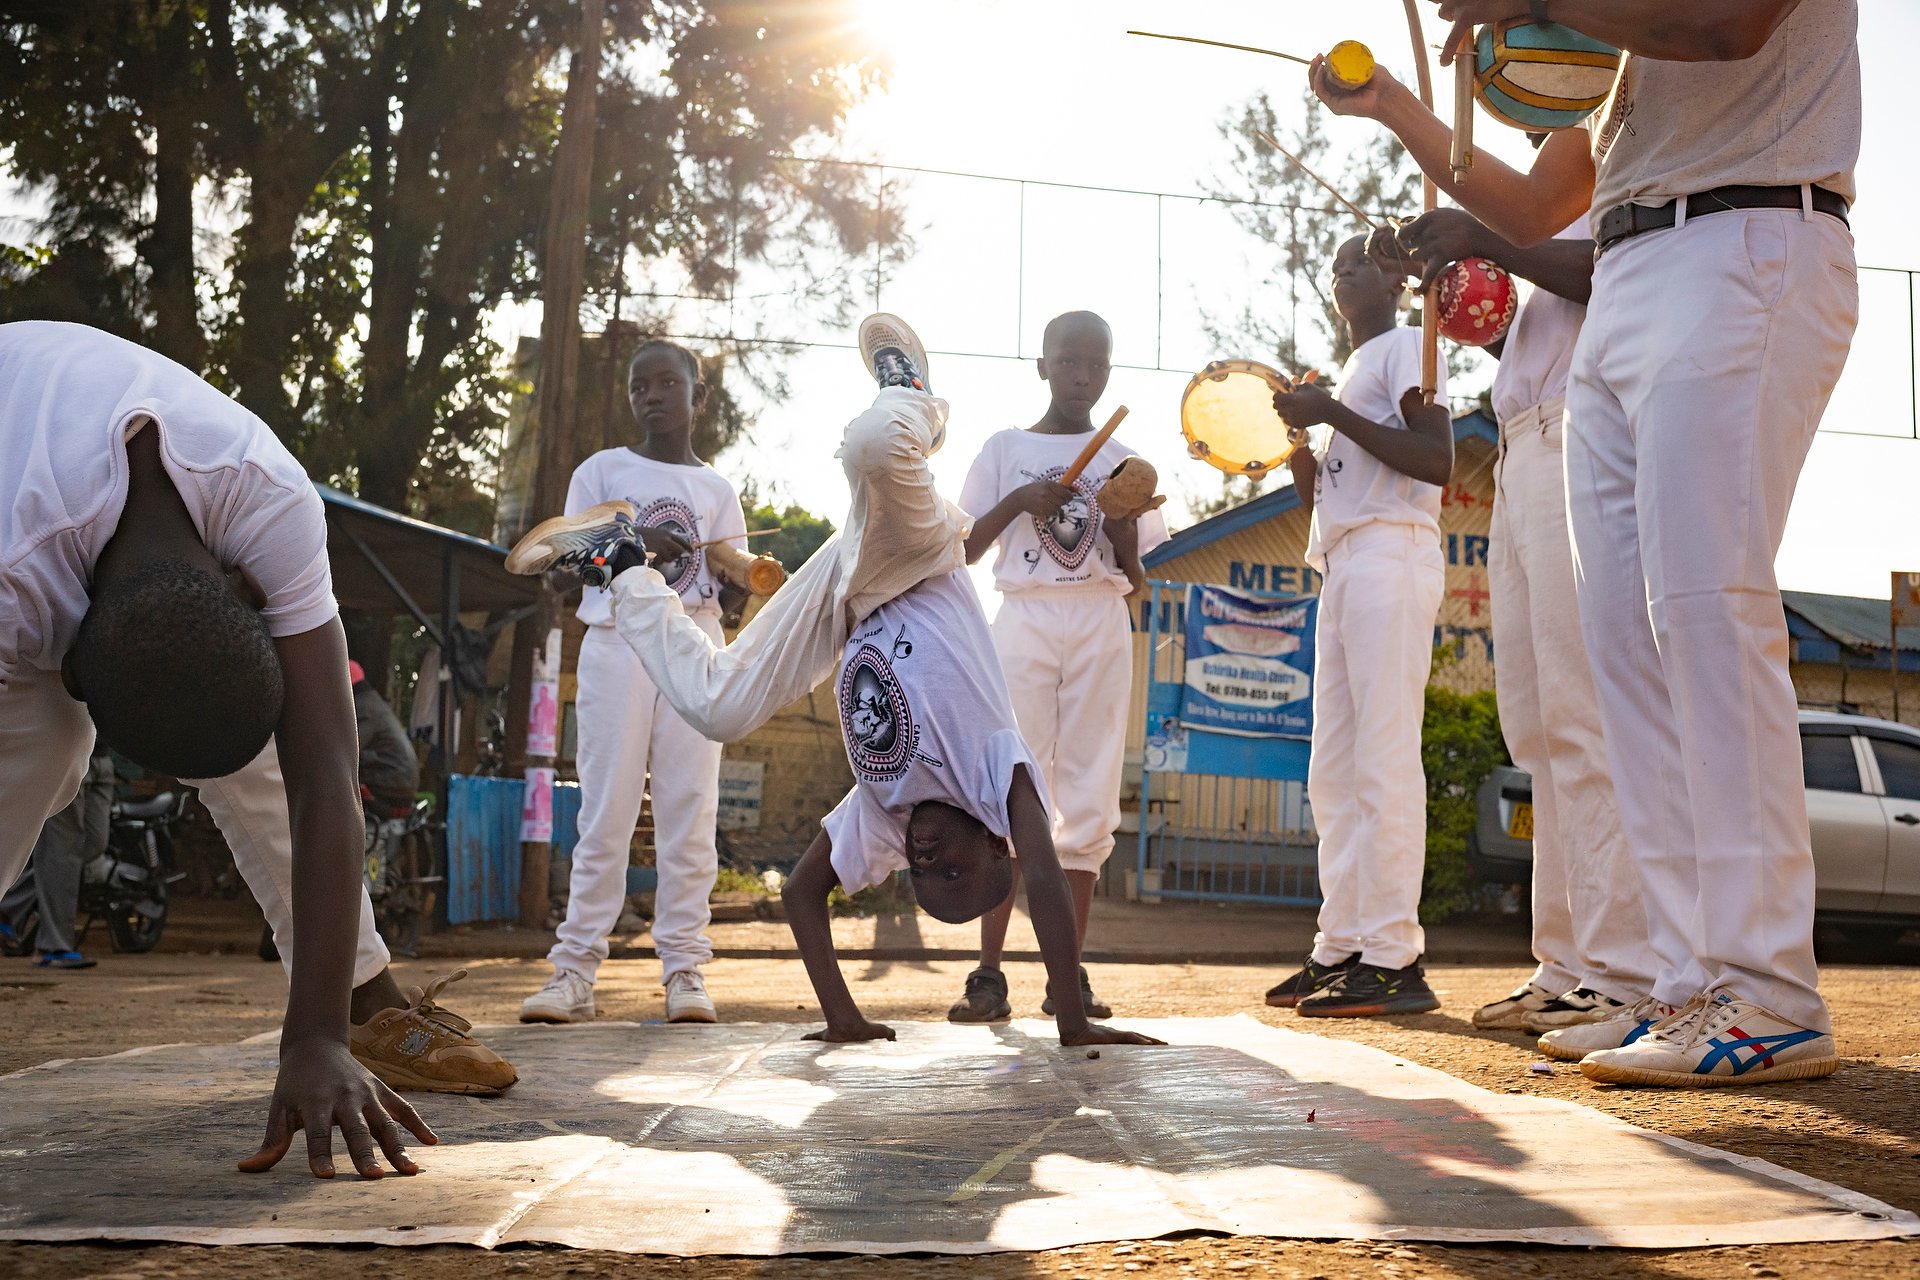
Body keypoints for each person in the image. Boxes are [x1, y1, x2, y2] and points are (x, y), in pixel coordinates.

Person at [1366, 0, 1856, 1085]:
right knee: (1626, 652)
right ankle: (1686, 981)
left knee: (1703, 615)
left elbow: (1728, 27)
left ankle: (1769, 988)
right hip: (1635, 264)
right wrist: (1395, 104)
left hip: (1747, 235)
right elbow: (1545, 200)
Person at [504, 313, 1160, 1050]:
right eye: (953, 871)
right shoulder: (995, 774)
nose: (927, 861)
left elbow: (800, 894)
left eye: (924, 880)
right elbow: (1044, 872)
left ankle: (620, 561)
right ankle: (911, 391)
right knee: (873, 448)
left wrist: (842, 1015)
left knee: (718, 707)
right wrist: (1071, 1023)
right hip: (915, 556)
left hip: (844, 597)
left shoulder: (887, 817)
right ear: (994, 840)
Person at [0, 320, 515, 1181]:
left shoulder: (269, 501)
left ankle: (354, 1007)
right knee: (43, 755)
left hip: (66, 459)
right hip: (22, 490)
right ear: (72, 668)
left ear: (244, 594)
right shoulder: (18, 589)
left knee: (277, 758)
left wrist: (308, 1036)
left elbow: (326, 780)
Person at [1315, 92, 1656, 1033]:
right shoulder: (1540, 187)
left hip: (1581, 431)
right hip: (1519, 438)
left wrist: (1492, 240)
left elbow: (1610, 272)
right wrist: (1451, 278)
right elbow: (1528, 326)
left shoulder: (1608, 152)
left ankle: (1623, 969)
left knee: (1583, 715)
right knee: (1539, 728)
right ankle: (1568, 960)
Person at [516, 340, 748, 1028]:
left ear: (696, 395)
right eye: (637, 386)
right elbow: (567, 561)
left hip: (695, 648)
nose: (651, 395)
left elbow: (725, 585)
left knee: (689, 810)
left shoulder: (718, 490)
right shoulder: (603, 471)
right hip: (618, 644)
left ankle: (685, 970)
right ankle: (574, 970)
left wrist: (740, 584)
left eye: (666, 383)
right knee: (607, 810)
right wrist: (636, 539)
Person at [949, 310, 1168, 1023]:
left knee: (1089, 794)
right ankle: (987, 977)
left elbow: (1136, 576)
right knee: (1009, 787)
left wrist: (1126, 534)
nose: (1082, 376)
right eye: (1069, 361)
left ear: (1109, 372)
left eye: (1097, 364)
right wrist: (1020, 499)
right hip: (1025, 617)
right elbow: (965, 550)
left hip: (1100, 619)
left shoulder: (1125, 461)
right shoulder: (1005, 448)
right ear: (1042, 365)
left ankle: (1064, 976)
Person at [1261, 236, 1453, 1018]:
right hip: (1343, 566)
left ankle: (1394, 958)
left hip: (1391, 555)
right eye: (1335, 264)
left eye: (1360, 262)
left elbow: (1436, 458)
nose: (1344, 271)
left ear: (1398, 280)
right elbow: (1329, 498)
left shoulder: (1407, 344)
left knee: (1381, 758)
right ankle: (1339, 946)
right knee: (1333, 773)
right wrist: (1299, 447)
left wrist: (1333, 411)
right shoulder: (1348, 372)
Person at [0, 749, 115, 968]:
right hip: (69, 753)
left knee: (91, 846)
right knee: (62, 852)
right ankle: (52, 948)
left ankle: (7, 906)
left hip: (103, 755)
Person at [350, 660, 420, 813]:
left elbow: (349, 749)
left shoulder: (364, 707)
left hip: (393, 782)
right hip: (400, 781)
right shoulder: (372, 702)